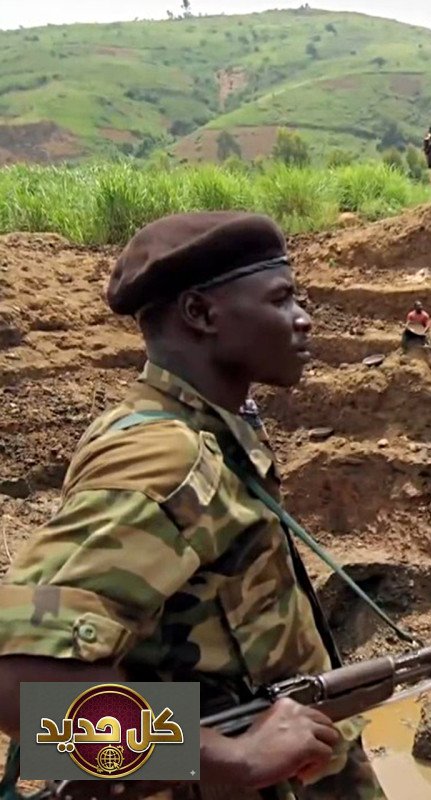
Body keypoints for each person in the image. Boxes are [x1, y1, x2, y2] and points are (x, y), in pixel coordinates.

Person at [0, 212, 384, 797]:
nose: (303, 319)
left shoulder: (210, 426)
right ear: (201, 314)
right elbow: (22, 689)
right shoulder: (164, 458)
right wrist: (235, 761)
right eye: (281, 299)